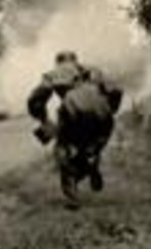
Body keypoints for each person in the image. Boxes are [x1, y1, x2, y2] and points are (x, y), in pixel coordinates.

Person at [26, 51, 121, 203]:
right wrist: (110, 110)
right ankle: (90, 162)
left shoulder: (54, 73)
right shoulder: (94, 69)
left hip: (73, 105)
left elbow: (36, 99)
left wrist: (43, 119)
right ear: (76, 60)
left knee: (62, 146)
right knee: (94, 142)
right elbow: (116, 90)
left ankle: (71, 184)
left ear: (58, 62)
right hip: (101, 107)